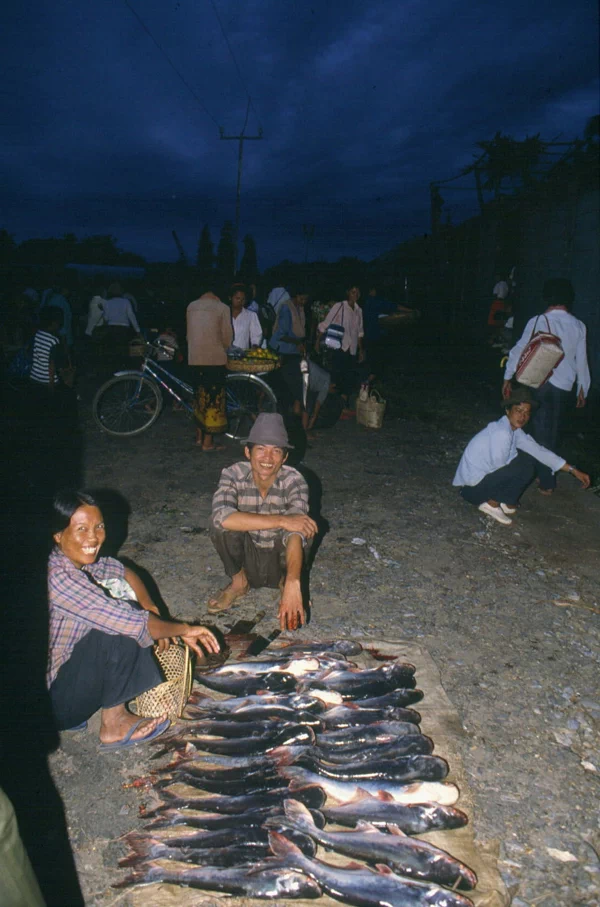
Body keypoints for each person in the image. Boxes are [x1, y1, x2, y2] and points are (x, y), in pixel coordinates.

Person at [47, 490, 220, 748]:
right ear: (58, 534)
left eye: (99, 526)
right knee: (121, 624)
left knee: (134, 612)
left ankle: (78, 712)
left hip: (59, 688)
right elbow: (133, 623)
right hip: (48, 708)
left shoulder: (70, 559)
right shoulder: (57, 578)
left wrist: (149, 604)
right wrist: (184, 629)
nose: (94, 537)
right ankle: (113, 724)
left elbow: (123, 569)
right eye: (82, 529)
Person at [209, 413, 318, 630]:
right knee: (219, 525)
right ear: (247, 452)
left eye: (276, 451)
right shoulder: (232, 474)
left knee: (304, 529)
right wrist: (282, 520)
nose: (268, 458)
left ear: (284, 457)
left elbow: (295, 532)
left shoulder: (294, 480)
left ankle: (283, 583)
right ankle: (239, 583)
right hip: (248, 556)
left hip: (280, 557)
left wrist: (294, 583)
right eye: (261, 449)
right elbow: (222, 516)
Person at [502, 278, 591, 495]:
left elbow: (518, 350)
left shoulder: (538, 320)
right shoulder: (579, 325)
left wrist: (507, 376)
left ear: (547, 297)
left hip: (539, 381)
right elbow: (582, 360)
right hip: (564, 387)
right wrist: (583, 388)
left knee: (541, 433)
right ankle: (546, 475)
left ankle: (547, 481)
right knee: (552, 432)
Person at [453, 387, 590, 525]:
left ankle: (506, 501)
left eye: (526, 413)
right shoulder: (501, 432)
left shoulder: (514, 431)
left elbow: (539, 451)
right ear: (508, 410)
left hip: (480, 485)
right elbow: (500, 468)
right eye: (518, 411)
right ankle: (491, 504)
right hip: (472, 491)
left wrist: (573, 470)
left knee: (530, 456)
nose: (522, 417)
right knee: (522, 464)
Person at [186, 284, 233, 451]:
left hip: (194, 359)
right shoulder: (222, 308)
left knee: (199, 399)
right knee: (213, 401)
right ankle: (208, 443)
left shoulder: (191, 306)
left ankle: (199, 437)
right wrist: (226, 349)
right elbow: (227, 337)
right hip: (214, 360)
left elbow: (188, 334)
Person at [316, 284, 365, 416]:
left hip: (352, 348)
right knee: (338, 377)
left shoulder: (359, 310)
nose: (355, 295)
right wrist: (317, 342)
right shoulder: (340, 306)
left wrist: (361, 350)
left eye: (357, 292)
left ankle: (343, 406)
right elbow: (325, 323)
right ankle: (334, 407)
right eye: (353, 292)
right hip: (340, 346)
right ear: (348, 293)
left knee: (349, 377)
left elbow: (360, 332)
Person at [270, 287, 309, 419]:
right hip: (283, 350)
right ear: (295, 296)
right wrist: (298, 343)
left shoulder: (299, 308)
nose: (303, 301)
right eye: (301, 298)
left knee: (290, 384)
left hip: (292, 351)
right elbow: (282, 334)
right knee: (285, 385)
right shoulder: (287, 308)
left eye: (305, 299)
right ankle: (283, 414)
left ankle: (288, 413)